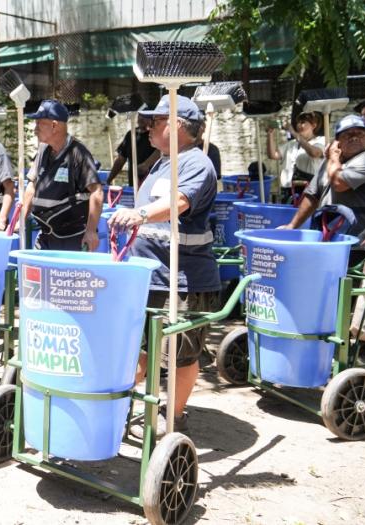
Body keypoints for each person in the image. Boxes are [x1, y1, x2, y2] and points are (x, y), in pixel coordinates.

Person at [108, 95, 220, 435]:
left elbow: (178, 202)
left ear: (179, 126)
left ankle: (175, 415)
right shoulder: (162, 162)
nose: (148, 127)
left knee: (180, 354)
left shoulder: (196, 163)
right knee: (139, 348)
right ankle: (122, 405)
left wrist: (139, 213)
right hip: (150, 277)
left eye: (156, 121)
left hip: (182, 281)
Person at [285, 114, 365, 267]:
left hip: (358, 242)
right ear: (337, 142)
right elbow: (312, 195)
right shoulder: (330, 161)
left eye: (360, 134)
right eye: (348, 135)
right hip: (328, 238)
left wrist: (333, 157)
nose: (355, 138)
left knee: (351, 286)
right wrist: (293, 225)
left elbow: (339, 182)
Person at [19, 99, 103, 251]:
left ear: (54, 125)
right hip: (46, 234)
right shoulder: (43, 150)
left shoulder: (78, 154)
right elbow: (32, 185)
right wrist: (21, 219)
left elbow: (96, 192)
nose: (35, 129)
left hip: (72, 237)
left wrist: (91, 231)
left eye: (39, 123)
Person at [267, 111, 325, 203]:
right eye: (298, 122)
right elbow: (273, 155)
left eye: (303, 122)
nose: (299, 125)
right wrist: (270, 134)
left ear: (313, 125)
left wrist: (293, 132)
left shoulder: (321, 141)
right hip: (288, 190)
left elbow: (314, 153)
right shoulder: (291, 144)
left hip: (308, 190)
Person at [106, 114, 159, 188]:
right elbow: (121, 160)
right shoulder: (131, 135)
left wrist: (146, 164)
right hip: (134, 185)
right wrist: (109, 179)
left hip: (153, 184)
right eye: (140, 115)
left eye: (145, 116)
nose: (141, 118)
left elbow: (161, 151)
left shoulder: (157, 135)